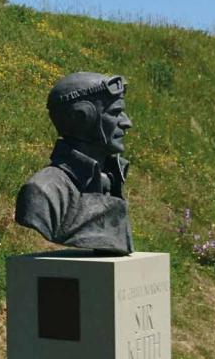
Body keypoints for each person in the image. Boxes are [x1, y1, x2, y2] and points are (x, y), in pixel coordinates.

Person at [15, 71, 134, 255]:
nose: (127, 123)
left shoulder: (111, 179)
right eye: (116, 113)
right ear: (83, 117)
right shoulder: (43, 192)